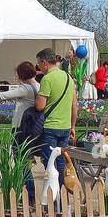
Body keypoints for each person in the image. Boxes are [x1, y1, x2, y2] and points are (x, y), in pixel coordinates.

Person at [0, 62, 40, 199]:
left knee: (22, 163)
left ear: (22, 75)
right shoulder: (38, 86)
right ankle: (25, 193)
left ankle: (30, 195)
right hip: (31, 128)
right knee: (25, 161)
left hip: (20, 128)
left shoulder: (26, 88)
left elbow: (4, 95)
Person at [34, 48, 77, 184]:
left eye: (39, 64)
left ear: (44, 62)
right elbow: (74, 105)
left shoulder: (47, 79)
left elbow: (40, 106)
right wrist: (73, 126)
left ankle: (53, 193)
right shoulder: (68, 77)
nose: (39, 67)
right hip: (65, 126)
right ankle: (61, 193)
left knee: (50, 161)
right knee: (60, 161)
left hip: (51, 127)